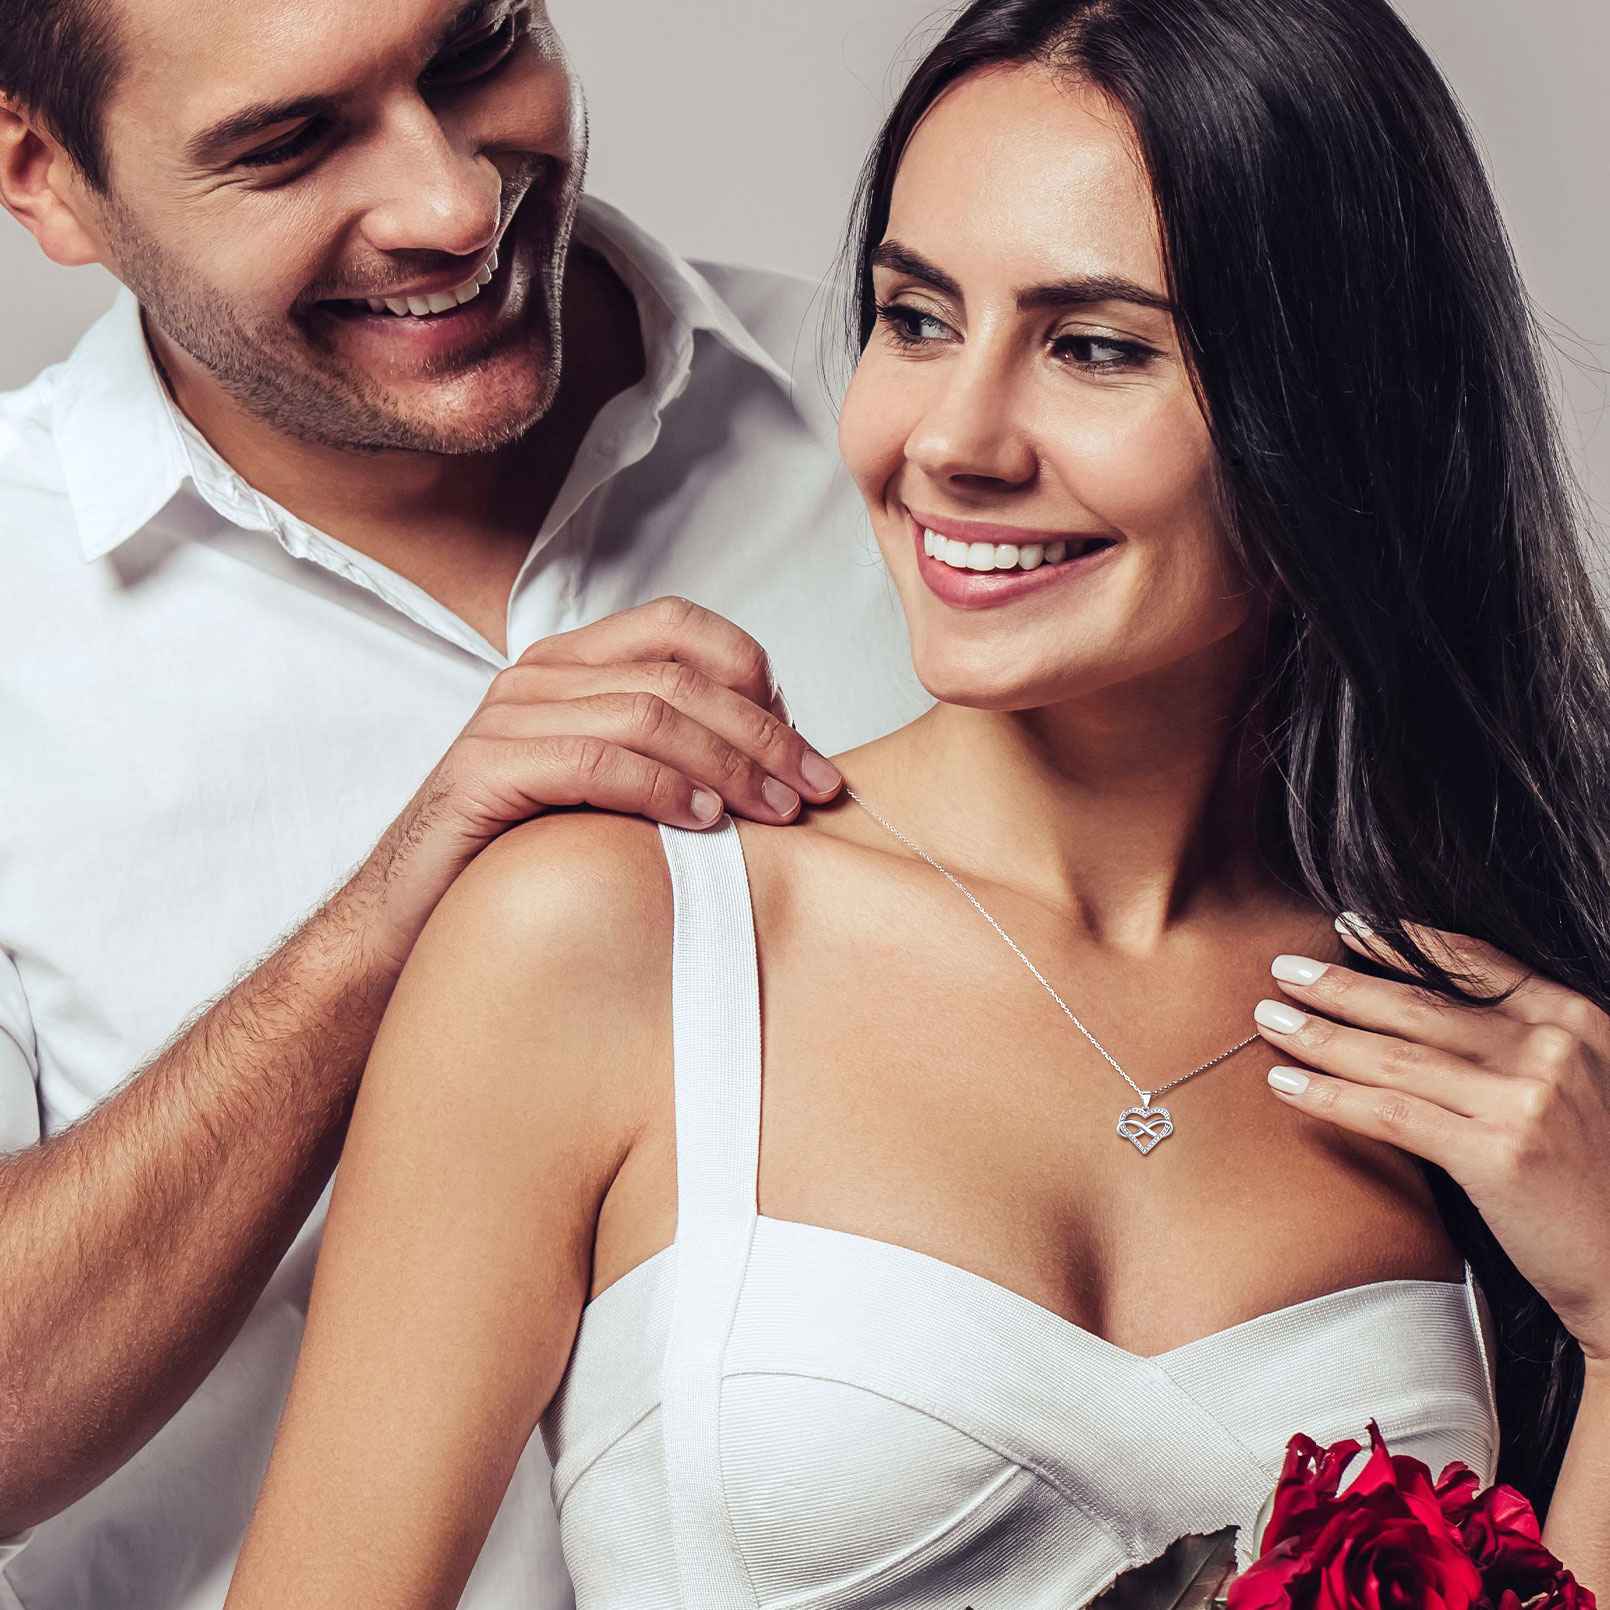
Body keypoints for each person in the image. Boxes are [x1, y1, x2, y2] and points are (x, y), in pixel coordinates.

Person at [218, 0, 1610, 1605]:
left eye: (1095, 346)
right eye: (915, 317)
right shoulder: (607, 935)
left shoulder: (1476, 1025)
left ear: (1340, 402)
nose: (950, 441)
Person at [0, 1, 932, 1605]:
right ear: (47, 178)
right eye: (289, 143)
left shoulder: (923, 429)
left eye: (474, 50)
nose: (448, 204)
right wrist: (388, 921)